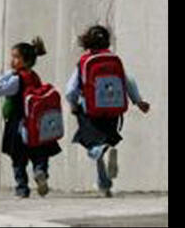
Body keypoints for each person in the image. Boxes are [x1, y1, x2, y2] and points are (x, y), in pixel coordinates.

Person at [64, 24, 151, 197]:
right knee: (102, 146)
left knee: (93, 146)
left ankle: (104, 152)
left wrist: (73, 104)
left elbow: (70, 89)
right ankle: (105, 184)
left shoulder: (83, 62)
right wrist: (138, 101)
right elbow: (128, 81)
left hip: (90, 111)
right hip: (113, 111)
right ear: (107, 42)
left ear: (87, 42)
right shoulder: (113, 59)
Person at [0, 36, 62, 198]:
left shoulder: (17, 79)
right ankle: (40, 171)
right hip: (36, 124)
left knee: (18, 159)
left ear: (25, 60)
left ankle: (22, 188)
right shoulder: (35, 76)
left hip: (19, 124)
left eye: (16, 57)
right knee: (39, 154)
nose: (12, 61)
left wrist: (7, 74)